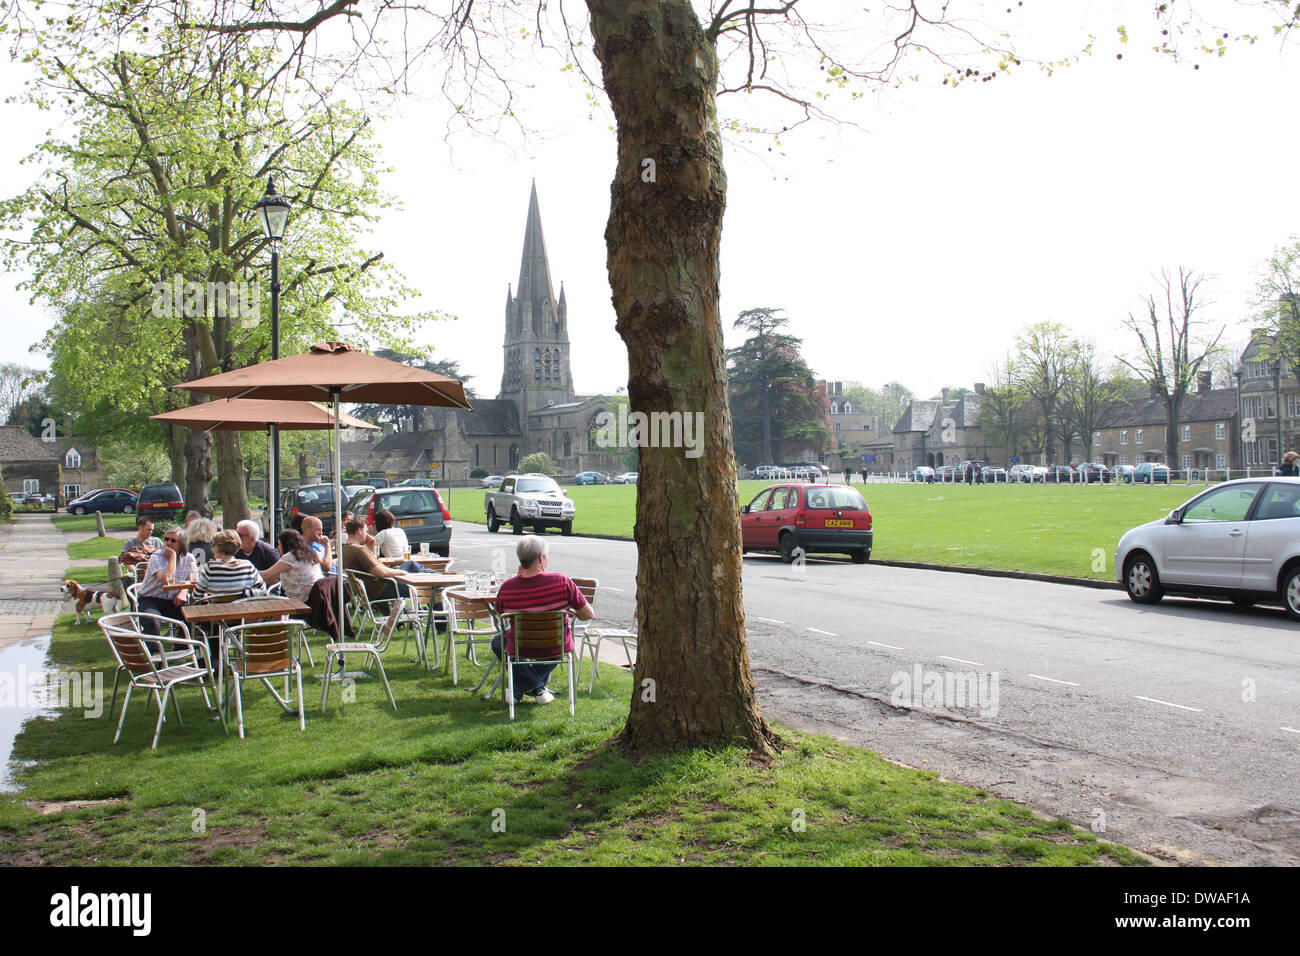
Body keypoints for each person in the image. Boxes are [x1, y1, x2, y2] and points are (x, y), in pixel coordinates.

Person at [492, 535, 594, 705]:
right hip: (555, 645)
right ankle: (537, 687)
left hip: (520, 647)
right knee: (502, 641)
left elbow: (499, 614)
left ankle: (522, 689)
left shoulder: (508, 587)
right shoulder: (562, 581)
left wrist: (516, 581)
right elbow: (588, 615)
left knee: (499, 642)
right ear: (541, 558)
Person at [136, 525, 197, 636]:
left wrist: (183, 592)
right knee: (152, 621)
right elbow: (166, 579)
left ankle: (180, 649)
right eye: (166, 539)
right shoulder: (156, 557)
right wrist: (172, 556)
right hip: (150, 599)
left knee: (193, 616)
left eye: (173, 540)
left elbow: (191, 580)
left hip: (173, 601)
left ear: (182, 544)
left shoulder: (189, 558)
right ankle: (154, 652)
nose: (168, 543)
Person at [260, 530, 324, 603]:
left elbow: (267, 574)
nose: (278, 548)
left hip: (302, 602)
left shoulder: (290, 557)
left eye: (279, 544)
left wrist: (250, 570)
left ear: (286, 545)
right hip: (317, 598)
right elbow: (273, 577)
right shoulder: (308, 554)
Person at [197, 530, 266, 596]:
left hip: (217, 607)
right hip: (243, 607)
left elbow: (196, 595)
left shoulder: (210, 567)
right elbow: (262, 589)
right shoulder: (247, 566)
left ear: (219, 547)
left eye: (214, 545)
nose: (212, 549)